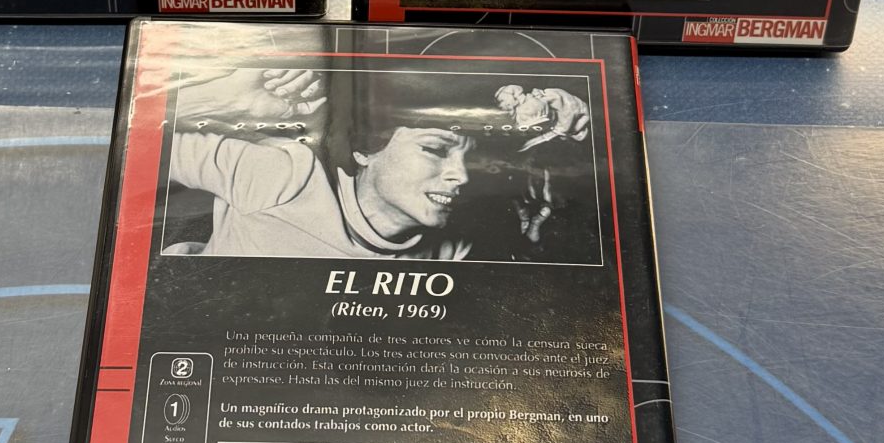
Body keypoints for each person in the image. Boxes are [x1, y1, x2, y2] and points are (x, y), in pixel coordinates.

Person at [162, 63, 590, 261]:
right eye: (434, 149)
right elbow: (140, 144)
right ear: (366, 148)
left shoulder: (454, 249)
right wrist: (219, 100)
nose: (461, 176)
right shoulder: (285, 174)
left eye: (471, 159)